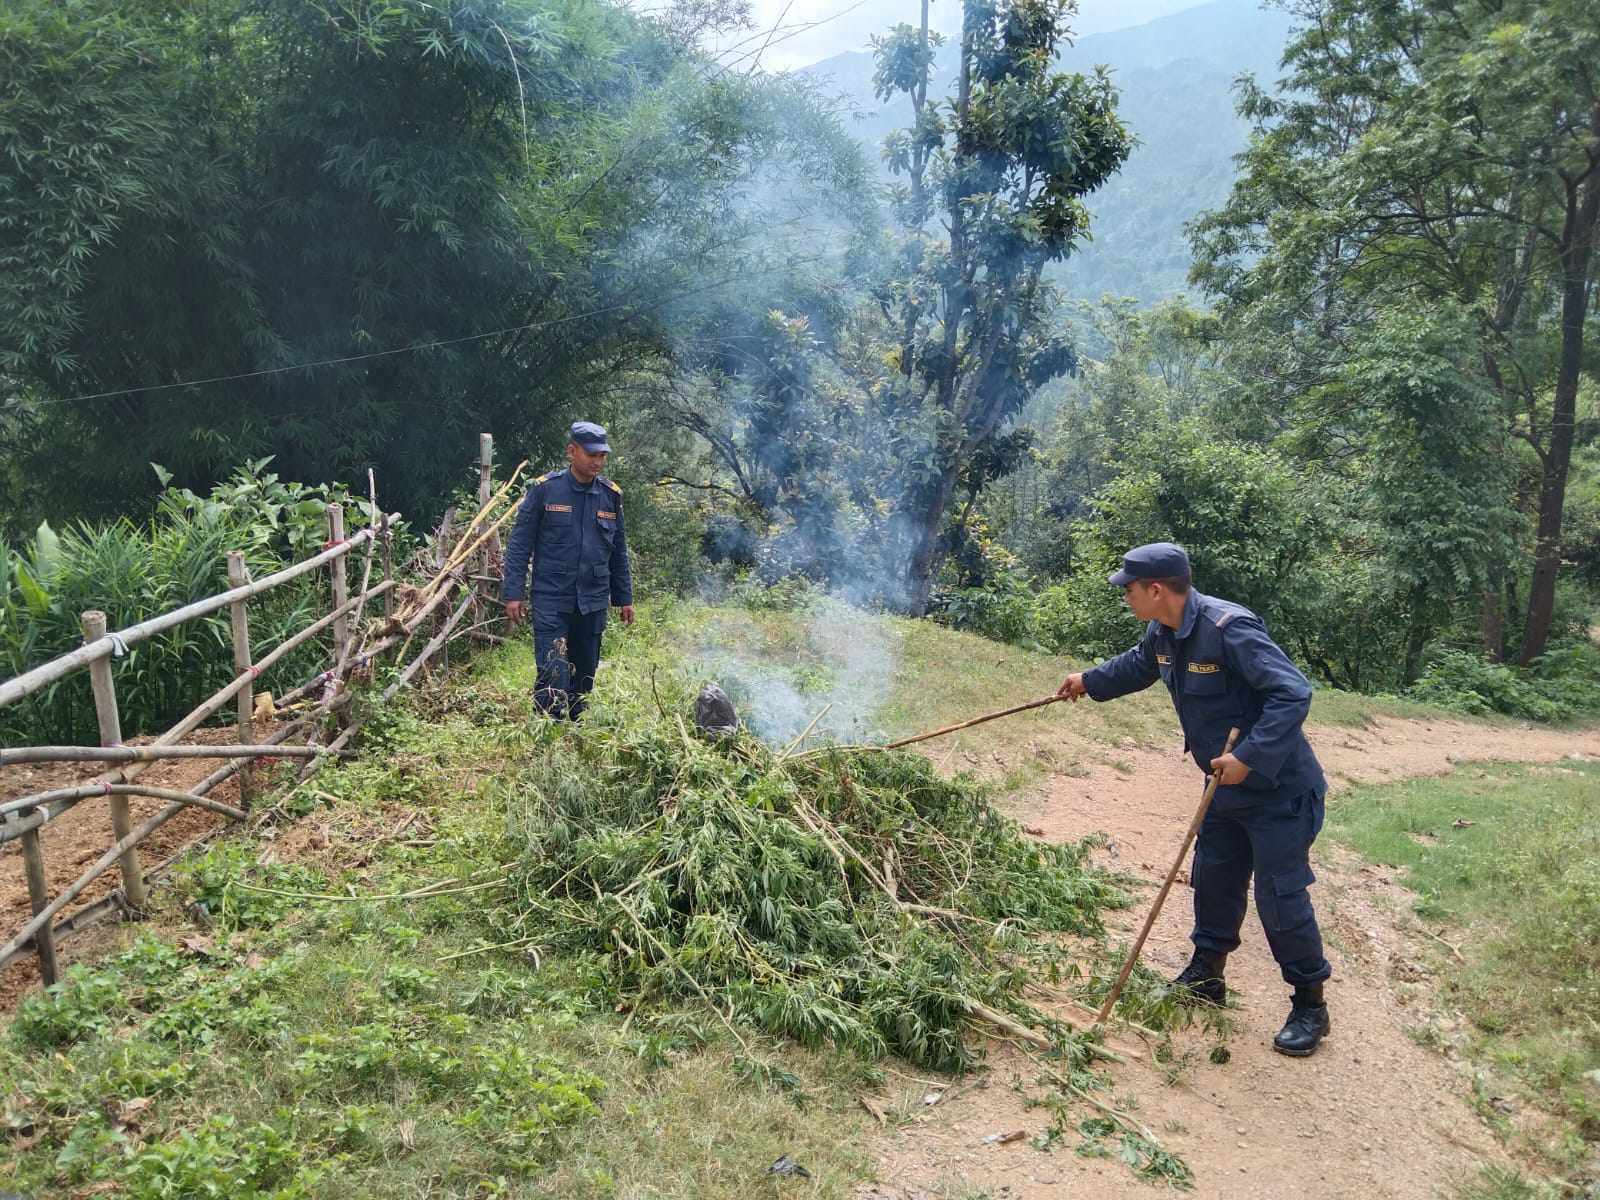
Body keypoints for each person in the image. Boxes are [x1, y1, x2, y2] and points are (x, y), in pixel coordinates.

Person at [1057, 542, 1332, 1057]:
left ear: (1156, 589)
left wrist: (1249, 755)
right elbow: (1139, 666)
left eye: (1130, 590)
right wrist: (1087, 682)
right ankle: (1207, 975)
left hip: (1278, 791)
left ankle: (1310, 1003)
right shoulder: (1162, 633)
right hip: (1221, 789)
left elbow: (1293, 692)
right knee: (1214, 881)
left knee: (1280, 898)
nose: (1125, 598)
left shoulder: (1231, 629)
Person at [502, 421, 635, 720]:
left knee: (585, 672)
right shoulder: (545, 490)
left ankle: (576, 732)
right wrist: (513, 593)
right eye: (591, 454)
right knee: (553, 671)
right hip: (552, 599)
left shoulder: (610, 496)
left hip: (593, 601)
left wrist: (624, 598)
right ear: (572, 451)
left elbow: (619, 551)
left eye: (602, 455)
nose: (597, 461)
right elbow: (520, 545)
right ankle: (548, 733)